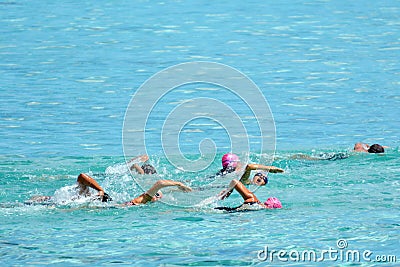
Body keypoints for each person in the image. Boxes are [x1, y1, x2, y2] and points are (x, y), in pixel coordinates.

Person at [27, 173, 192, 206]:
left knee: (72, 198)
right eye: (156, 195)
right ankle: (43, 200)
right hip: (107, 203)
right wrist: (179, 184)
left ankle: (43, 199)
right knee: (81, 187)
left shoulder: (143, 201)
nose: (155, 196)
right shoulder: (143, 200)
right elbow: (160, 182)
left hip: (107, 203)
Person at [215, 179, 282, 212]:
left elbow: (235, 181)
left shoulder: (253, 199)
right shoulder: (259, 209)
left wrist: (228, 191)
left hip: (223, 211)